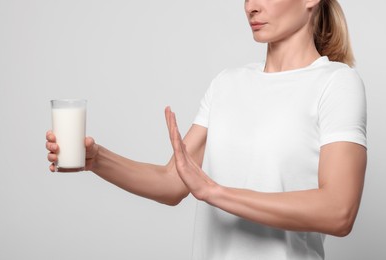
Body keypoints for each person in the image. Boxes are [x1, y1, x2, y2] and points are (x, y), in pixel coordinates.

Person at [46, 0, 367, 259]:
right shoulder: (227, 83)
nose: (250, 7)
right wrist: (97, 159)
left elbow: (338, 211)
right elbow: (173, 183)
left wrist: (215, 192)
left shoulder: (335, 83)